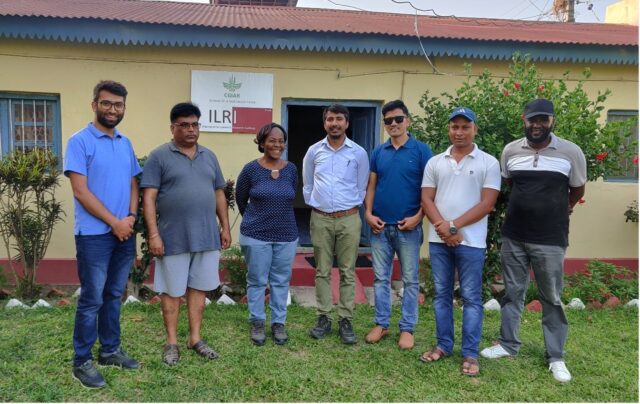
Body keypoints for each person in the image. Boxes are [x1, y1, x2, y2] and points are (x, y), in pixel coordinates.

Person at [480, 99, 586, 383]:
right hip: (514, 235)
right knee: (513, 293)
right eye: (532, 120)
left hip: (551, 238)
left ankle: (555, 356)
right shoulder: (511, 150)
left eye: (544, 119)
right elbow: (512, 184)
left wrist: (561, 209)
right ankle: (507, 344)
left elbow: (577, 189)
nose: (537, 125)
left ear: (552, 121)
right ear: (524, 120)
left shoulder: (571, 152)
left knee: (550, 297)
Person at [64, 80, 141, 389]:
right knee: (92, 298)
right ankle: (82, 361)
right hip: (94, 235)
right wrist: (114, 222)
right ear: (94, 105)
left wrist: (132, 217)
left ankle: (109, 350)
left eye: (118, 105)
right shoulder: (79, 141)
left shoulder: (125, 142)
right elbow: (81, 192)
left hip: (123, 233)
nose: (113, 109)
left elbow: (134, 182)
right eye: (107, 103)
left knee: (113, 294)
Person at [141, 102, 231, 365]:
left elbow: (219, 193)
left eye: (195, 124)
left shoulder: (209, 156)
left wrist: (224, 227)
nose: (191, 130)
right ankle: (171, 342)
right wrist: (153, 234)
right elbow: (149, 197)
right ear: (173, 127)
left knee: (199, 289)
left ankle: (195, 338)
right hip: (172, 237)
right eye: (184, 125)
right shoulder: (159, 156)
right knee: (171, 291)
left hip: (206, 237)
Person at [420, 107, 501, 377]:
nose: (459, 131)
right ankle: (444, 345)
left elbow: (488, 203)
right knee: (441, 295)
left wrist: (454, 226)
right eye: (455, 126)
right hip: (439, 240)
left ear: (475, 129)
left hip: (472, 242)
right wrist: (445, 229)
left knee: (471, 298)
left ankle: (470, 353)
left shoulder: (488, 162)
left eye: (465, 127)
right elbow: (427, 199)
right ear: (449, 129)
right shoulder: (435, 162)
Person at [364, 100, 432, 350]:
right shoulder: (378, 152)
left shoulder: (422, 151)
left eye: (398, 119)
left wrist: (419, 216)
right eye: (388, 121)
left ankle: (407, 328)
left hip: (409, 228)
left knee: (410, 280)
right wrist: (368, 213)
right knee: (381, 278)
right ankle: (381, 324)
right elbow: (371, 186)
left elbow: (430, 190)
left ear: (408, 121)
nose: (393, 124)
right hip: (380, 227)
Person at [302, 103, 369, 345]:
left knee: (348, 271)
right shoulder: (313, 151)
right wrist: (315, 203)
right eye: (330, 119)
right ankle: (323, 317)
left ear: (347, 123)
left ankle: (346, 319)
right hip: (320, 217)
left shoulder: (358, 153)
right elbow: (307, 183)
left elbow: (362, 186)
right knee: (322, 270)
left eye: (339, 119)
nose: (334, 123)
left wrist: (350, 206)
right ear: (325, 123)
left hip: (349, 218)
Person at [236, 123, 299, 346]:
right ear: (262, 143)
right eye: (272, 140)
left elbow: (291, 195)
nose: (277, 144)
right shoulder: (250, 170)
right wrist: (255, 219)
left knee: (281, 281)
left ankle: (278, 323)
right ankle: (257, 322)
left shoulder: (291, 169)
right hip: (256, 234)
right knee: (256, 280)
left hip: (286, 234)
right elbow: (240, 198)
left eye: (281, 140)